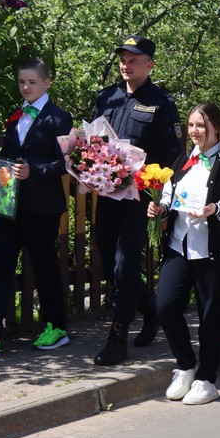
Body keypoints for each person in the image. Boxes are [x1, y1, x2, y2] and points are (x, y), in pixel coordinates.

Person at [0, 58, 74, 358]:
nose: (26, 87)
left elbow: (66, 163)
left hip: (42, 207)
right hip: (9, 204)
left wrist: (34, 171)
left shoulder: (60, 118)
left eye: (32, 82)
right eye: (22, 82)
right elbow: (5, 156)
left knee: (44, 267)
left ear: (46, 82)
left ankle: (55, 327)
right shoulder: (16, 117)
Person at [149, 103, 220, 405]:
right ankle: (185, 364)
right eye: (192, 125)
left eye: (201, 125)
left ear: (217, 128)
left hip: (215, 250)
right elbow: (171, 195)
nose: (195, 131)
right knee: (166, 305)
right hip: (179, 246)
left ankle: (207, 378)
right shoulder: (184, 160)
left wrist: (217, 208)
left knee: (210, 315)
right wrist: (160, 208)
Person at [91, 34, 182, 366]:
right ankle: (149, 306)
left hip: (140, 198)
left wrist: (163, 198)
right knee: (105, 253)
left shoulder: (161, 102)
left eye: (133, 59)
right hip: (109, 193)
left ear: (149, 64)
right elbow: (96, 143)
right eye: (123, 59)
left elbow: (174, 157)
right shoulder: (107, 98)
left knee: (126, 261)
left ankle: (118, 335)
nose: (125, 65)